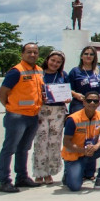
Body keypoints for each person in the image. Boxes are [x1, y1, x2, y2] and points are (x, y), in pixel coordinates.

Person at [0, 42, 44, 193]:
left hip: (33, 115)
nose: (32, 55)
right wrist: (11, 108)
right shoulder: (16, 71)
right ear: (22, 54)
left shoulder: (38, 70)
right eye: (29, 52)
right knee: (9, 148)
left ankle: (22, 177)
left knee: (24, 148)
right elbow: (2, 92)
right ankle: (4, 181)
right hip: (17, 116)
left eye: (35, 52)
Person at [61, 91, 100, 191]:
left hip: (90, 152)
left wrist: (96, 147)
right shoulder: (73, 119)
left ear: (99, 104)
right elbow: (66, 142)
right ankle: (68, 173)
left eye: (95, 101)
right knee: (75, 187)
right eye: (89, 101)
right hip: (75, 155)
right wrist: (83, 151)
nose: (92, 103)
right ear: (84, 102)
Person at [33, 50, 68, 184]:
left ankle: (50, 172)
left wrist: (69, 97)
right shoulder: (39, 74)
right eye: (53, 60)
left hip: (58, 110)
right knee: (41, 141)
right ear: (47, 60)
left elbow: (67, 90)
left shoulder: (63, 75)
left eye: (58, 62)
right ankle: (39, 172)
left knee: (54, 141)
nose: (55, 64)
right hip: (42, 110)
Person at [67, 46, 100, 114]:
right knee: (81, 124)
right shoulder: (75, 71)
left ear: (94, 57)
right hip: (80, 104)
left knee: (97, 124)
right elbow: (67, 89)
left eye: (91, 54)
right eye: (86, 54)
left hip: (97, 103)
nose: (88, 56)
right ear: (81, 56)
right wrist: (75, 95)